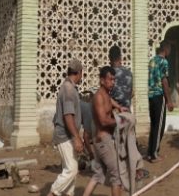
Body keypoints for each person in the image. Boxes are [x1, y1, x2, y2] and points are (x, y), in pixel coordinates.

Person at [47, 59, 85, 196]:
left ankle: (68, 193)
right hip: (65, 136)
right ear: (79, 72)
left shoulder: (68, 87)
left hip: (67, 134)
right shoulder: (68, 90)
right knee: (72, 170)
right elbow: (68, 115)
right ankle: (53, 192)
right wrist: (76, 138)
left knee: (70, 170)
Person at [90, 66, 123, 196]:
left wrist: (120, 107)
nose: (113, 82)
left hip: (103, 140)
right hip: (103, 141)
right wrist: (120, 121)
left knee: (98, 175)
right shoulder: (99, 96)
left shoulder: (106, 95)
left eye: (114, 80)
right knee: (116, 175)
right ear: (102, 80)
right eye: (110, 79)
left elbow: (110, 102)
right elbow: (103, 121)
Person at [147, 42, 173, 162]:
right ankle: (154, 154)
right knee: (159, 126)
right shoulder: (164, 62)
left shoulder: (152, 61)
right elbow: (164, 81)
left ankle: (149, 152)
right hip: (158, 95)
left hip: (150, 95)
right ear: (166, 49)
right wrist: (169, 100)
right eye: (170, 49)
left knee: (153, 124)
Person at [109, 45, 133, 110]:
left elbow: (105, 95)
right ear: (120, 57)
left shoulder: (108, 74)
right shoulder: (129, 73)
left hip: (113, 113)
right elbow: (132, 93)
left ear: (109, 58)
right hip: (126, 112)